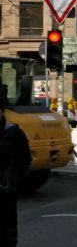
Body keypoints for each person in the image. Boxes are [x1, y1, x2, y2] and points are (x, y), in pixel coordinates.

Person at [0, 101, 31, 246]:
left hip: (6, 187)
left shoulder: (13, 132)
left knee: (8, 225)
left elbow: (25, 159)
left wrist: (16, 179)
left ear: (2, 113)